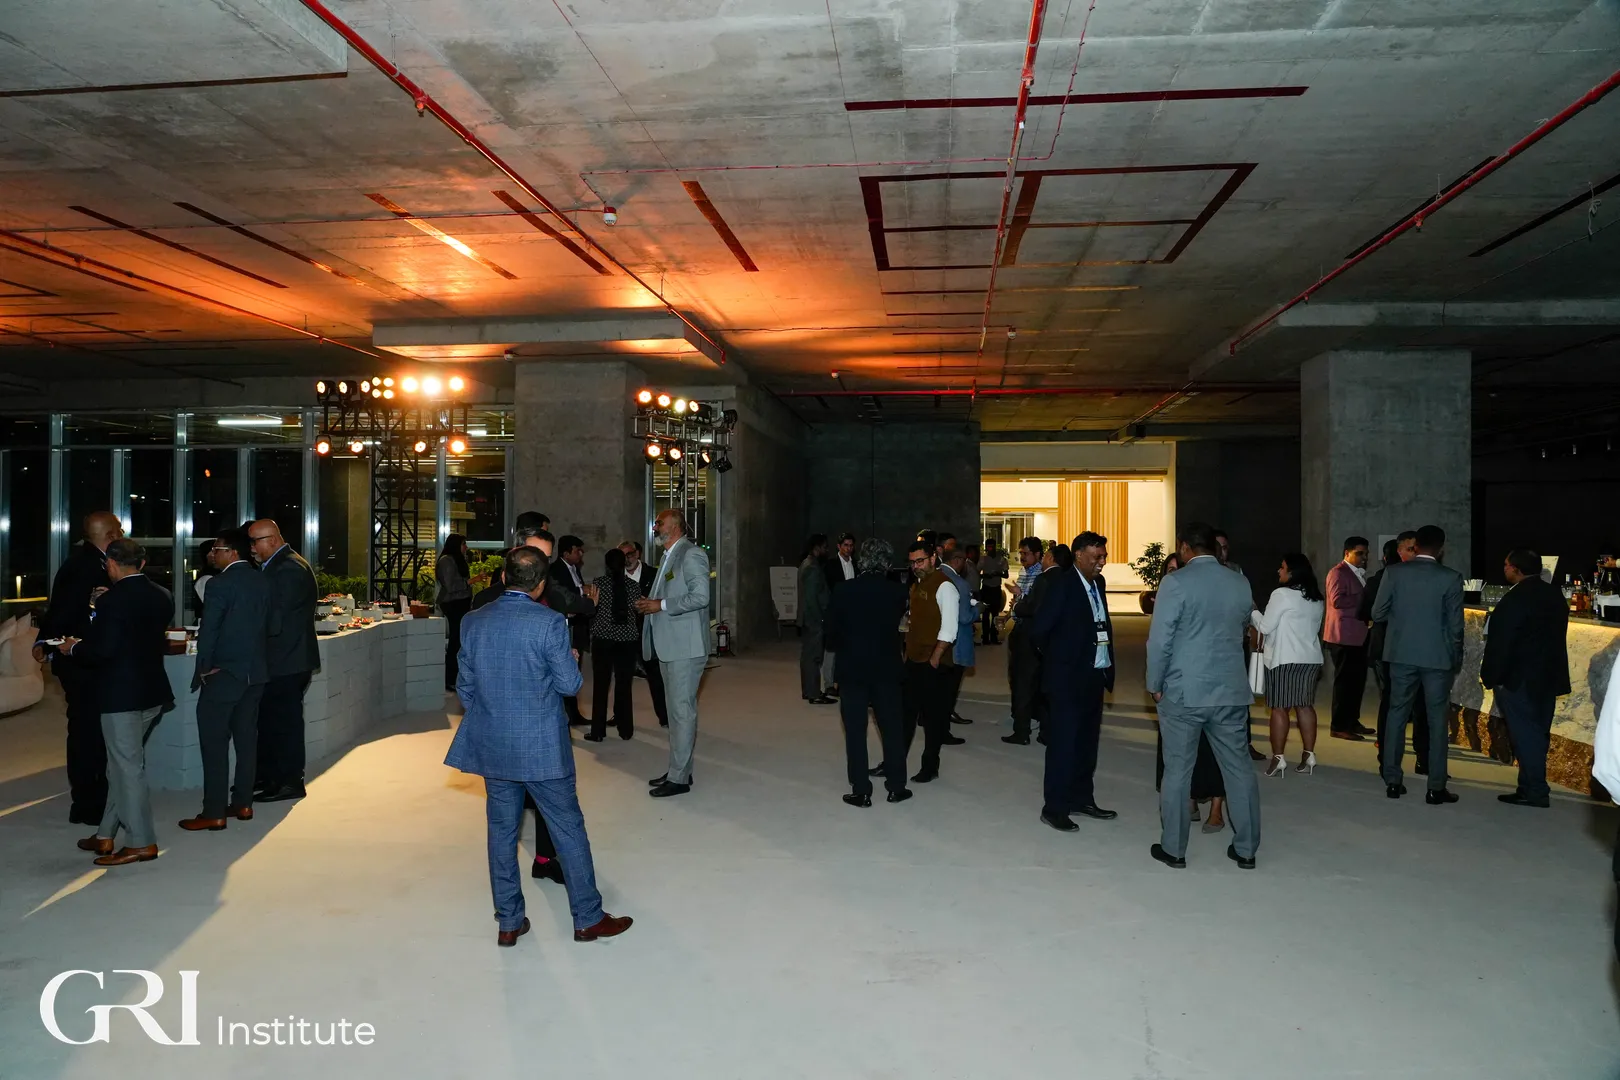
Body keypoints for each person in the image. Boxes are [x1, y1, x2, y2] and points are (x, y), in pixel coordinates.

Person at [446, 545, 632, 947]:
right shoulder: (549, 622)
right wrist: (571, 658)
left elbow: (465, 688)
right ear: (541, 584)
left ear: (503, 577)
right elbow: (569, 685)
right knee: (568, 828)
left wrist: (496, 715)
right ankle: (587, 919)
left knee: (501, 833)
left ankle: (509, 922)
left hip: (495, 744)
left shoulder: (473, 621)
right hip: (542, 747)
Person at [1145, 522, 1262, 870]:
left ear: (1184, 547)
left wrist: (1154, 683)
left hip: (1184, 691)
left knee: (1178, 771)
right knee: (1239, 769)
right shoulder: (1239, 582)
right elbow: (1241, 630)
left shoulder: (1176, 582)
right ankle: (1247, 849)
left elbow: (1160, 640)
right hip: (1230, 690)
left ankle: (1174, 849)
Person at [60, 538, 173, 866]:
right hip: (153, 692)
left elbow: (102, 651)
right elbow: (137, 637)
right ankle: (105, 834)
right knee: (121, 767)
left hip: (121, 696)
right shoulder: (162, 595)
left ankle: (141, 842)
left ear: (110, 564)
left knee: (127, 770)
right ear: (142, 563)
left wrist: (73, 647)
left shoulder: (112, 601)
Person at [34, 509, 122, 825]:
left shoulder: (86, 562)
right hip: (82, 663)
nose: (122, 534)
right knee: (87, 734)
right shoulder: (87, 566)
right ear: (111, 535)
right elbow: (67, 614)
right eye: (119, 530)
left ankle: (91, 798)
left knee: (90, 732)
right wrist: (47, 642)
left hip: (83, 660)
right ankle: (87, 804)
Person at [180, 528, 270, 832]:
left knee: (214, 743)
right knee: (247, 741)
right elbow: (275, 626)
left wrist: (205, 667)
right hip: (255, 673)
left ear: (232, 552)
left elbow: (210, 630)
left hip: (225, 674)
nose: (212, 554)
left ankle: (214, 811)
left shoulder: (219, 584)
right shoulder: (263, 580)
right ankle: (243, 803)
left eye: (216, 549)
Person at [1372, 524, 1464, 804]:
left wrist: (1401, 620)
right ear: (1441, 548)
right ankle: (1435, 787)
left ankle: (1392, 780)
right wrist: (1455, 657)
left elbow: (1377, 613)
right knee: (1437, 720)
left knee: (1396, 714)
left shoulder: (1394, 573)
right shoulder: (1451, 577)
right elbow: (1456, 626)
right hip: (1437, 658)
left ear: (1416, 545)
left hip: (1401, 654)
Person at [1032, 531, 1117, 831]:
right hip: (1067, 681)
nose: (1102, 562)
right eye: (1096, 557)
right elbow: (1039, 630)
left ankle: (1081, 799)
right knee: (1063, 746)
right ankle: (1054, 808)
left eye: (1104, 556)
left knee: (1086, 744)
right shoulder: (1062, 585)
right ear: (1079, 555)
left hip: (1095, 675)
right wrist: (1061, 662)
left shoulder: (1098, 584)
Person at [824, 539, 912, 806]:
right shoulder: (898, 592)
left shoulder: (843, 590)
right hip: (887, 668)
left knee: (855, 731)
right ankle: (896, 786)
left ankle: (861, 790)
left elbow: (830, 636)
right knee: (892, 729)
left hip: (852, 669)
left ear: (861, 561)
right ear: (887, 563)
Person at [1480, 549, 1570, 808]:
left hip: (1518, 677)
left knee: (1525, 735)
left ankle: (1536, 791)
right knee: (1538, 732)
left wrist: (1490, 675)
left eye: (1507, 565)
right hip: (1549, 675)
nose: (1505, 569)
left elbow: (1501, 643)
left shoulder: (1515, 598)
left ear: (1517, 569)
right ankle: (1527, 787)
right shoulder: (1554, 594)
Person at [1151, 551, 1228, 833]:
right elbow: (1157, 647)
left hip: (1209, 686)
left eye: (1178, 568)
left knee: (1213, 749)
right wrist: (1156, 684)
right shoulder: (1165, 601)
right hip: (1174, 689)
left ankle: (1217, 809)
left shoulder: (1201, 596)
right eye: (1169, 570)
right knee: (1178, 756)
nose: (1174, 574)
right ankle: (1189, 801)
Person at [638, 509, 711, 798]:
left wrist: (661, 605)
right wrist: (651, 604)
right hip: (671, 646)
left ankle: (679, 778)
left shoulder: (691, 554)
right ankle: (678, 769)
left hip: (685, 647)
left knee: (681, 713)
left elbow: (701, 596)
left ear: (676, 526)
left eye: (660, 522)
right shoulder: (669, 555)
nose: (655, 526)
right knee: (675, 713)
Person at [249, 518, 320, 804]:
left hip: (287, 661)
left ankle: (289, 782)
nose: (251, 548)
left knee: (284, 724)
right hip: (284, 659)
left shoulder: (288, 568)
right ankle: (271, 778)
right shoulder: (282, 564)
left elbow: (273, 619)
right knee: (271, 722)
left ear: (273, 540)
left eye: (255, 541)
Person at [1252, 553, 1326, 777]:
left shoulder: (1281, 594)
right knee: (1304, 706)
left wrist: (1253, 612)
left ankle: (1278, 758)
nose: (1279, 570)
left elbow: (1265, 627)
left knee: (1279, 708)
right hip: (1311, 659)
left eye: (1283, 567)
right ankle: (1309, 754)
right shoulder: (1317, 598)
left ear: (1292, 572)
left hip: (1284, 659)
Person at [1362, 531, 1429, 769]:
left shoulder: (1430, 577)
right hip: (1388, 650)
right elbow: (1371, 612)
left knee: (1422, 706)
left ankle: (1424, 758)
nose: (1415, 554)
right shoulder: (1382, 579)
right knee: (1392, 703)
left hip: (1420, 650)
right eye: (1410, 549)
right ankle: (1387, 757)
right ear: (1399, 552)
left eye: (1417, 549)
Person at [893, 539, 957, 784]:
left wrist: (935, 659)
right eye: (912, 563)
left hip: (933, 663)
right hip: (914, 659)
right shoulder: (917, 584)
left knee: (932, 719)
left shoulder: (945, 586)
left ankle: (930, 766)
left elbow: (949, 629)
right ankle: (895, 762)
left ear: (933, 558)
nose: (915, 566)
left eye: (920, 561)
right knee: (905, 715)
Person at [586, 547, 640, 743]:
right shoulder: (633, 586)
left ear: (607, 565)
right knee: (624, 685)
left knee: (601, 686)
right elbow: (637, 611)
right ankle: (626, 730)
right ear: (624, 564)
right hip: (627, 639)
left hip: (603, 639)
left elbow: (592, 609)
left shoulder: (598, 584)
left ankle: (598, 731)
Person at [1324, 536, 1374, 741]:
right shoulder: (1338, 572)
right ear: (1347, 553)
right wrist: (1366, 596)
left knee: (1357, 682)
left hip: (1358, 635)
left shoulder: (1357, 573)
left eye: (1366, 554)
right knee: (1344, 683)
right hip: (1343, 636)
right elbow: (1337, 600)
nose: (1364, 557)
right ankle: (1338, 726)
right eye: (1359, 553)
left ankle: (1352, 721)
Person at [548, 535, 598, 726]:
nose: (581, 554)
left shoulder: (574, 568)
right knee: (564, 670)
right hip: (565, 625)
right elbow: (564, 597)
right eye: (578, 550)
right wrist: (583, 592)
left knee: (575, 669)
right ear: (566, 552)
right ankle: (567, 714)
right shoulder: (555, 570)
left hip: (577, 625)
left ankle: (573, 713)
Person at [620, 540, 670, 728]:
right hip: (624, 633)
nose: (627, 559)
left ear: (638, 553)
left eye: (630, 554)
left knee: (655, 676)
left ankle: (664, 716)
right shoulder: (615, 575)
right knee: (622, 678)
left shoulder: (654, 573)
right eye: (623, 556)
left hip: (649, 630)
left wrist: (650, 603)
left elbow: (666, 597)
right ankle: (621, 718)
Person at [1004, 535, 1045, 744]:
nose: (1022, 557)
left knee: (1025, 681)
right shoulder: (1024, 572)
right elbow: (1018, 602)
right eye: (1020, 553)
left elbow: (1032, 605)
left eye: (1026, 553)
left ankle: (1023, 729)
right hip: (1019, 628)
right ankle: (1024, 719)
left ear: (1038, 554)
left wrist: (1020, 595)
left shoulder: (1041, 576)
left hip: (1030, 631)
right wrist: (1008, 614)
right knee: (1016, 676)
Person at [939, 546, 975, 733]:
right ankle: (944, 725)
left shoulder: (933, 576)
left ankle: (928, 717)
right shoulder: (960, 583)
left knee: (937, 685)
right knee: (950, 686)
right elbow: (965, 617)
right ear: (957, 560)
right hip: (956, 642)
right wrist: (978, 609)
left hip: (936, 639)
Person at [797, 534, 835, 705]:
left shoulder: (807, 564)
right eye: (825, 547)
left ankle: (809, 691)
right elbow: (812, 598)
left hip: (809, 618)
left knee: (808, 656)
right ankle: (813, 693)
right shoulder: (812, 567)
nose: (827, 550)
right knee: (814, 657)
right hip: (814, 620)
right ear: (817, 547)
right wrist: (821, 620)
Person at [437, 533, 473, 691]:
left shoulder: (457, 560)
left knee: (459, 640)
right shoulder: (446, 561)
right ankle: (450, 677)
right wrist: (470, 582)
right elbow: (450, 586)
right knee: (455, 640)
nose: (466, 547)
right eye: (463, 544)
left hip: (461, 602)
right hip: (453, 603)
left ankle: (455, 676)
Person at [821, 532, 857, 695]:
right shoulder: (830, 565)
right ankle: (829, 683)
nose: (848, 548)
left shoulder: (856, 565)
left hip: (851, 612)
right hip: (835, 611)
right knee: (831, 649)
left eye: (851, 545)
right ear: (839, 546)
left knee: (847, 649)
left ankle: (842, 682)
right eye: (845, 545)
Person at [978, 538, 1009, 644]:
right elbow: (977, 573)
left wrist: (998, 574)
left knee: (995, 614)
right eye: (988, 546)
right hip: (986, 588)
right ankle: (985, 637)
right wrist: (985, 575)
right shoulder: (983, 559)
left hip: (996, 588)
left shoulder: (1001, 559)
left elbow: (1006, 575)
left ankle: (994, 636)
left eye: (992, 546)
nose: (990, 549)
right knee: (985, 614)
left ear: (995, 547)